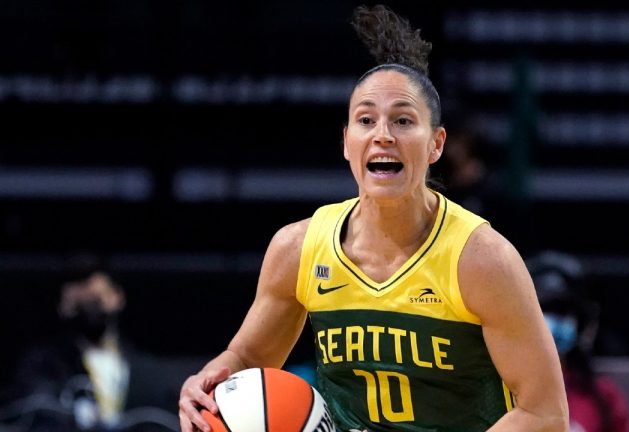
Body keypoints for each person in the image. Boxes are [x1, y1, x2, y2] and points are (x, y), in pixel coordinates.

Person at [179, 4, 568, 432]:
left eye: (403, 120)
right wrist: (207, 385)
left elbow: (544, 414)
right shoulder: (299, 248)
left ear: (436, 144)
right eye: (366, 120)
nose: (382, 134)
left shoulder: (481, 259)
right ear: (347, 142)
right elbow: (248, 360)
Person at [5, 253, 180, 431]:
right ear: (62, 307)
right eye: (78, 302)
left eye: (95, 299)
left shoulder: (148, 371)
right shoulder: (43, 367)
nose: (83, 291)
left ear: (117, 297)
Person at [528, 251, 629, 432]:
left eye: (562, 312)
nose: (553, 321)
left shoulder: (603, 397)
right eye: (543, 310)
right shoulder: (497, 391)